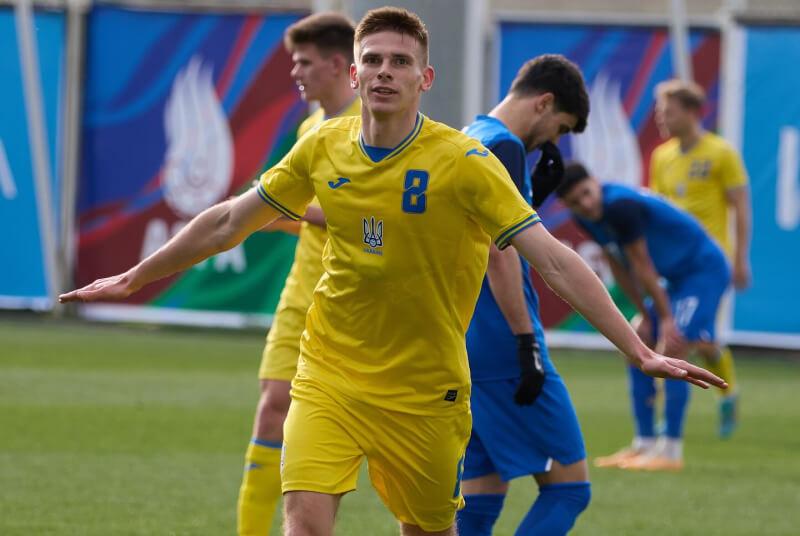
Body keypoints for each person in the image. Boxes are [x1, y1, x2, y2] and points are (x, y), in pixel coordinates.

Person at [60, 8, 725, 535]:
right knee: (305, 521)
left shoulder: (466, 162)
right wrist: (135, 277)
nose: (385, 71)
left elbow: (552, 258)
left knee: (428, 528)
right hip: (329, 373)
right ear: (354, 75)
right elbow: (229, 220)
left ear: (424, 79)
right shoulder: (321, 145)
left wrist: (638, 349)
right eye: (373, 60)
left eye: (400, 61)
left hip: (425, 390)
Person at [236, 12, 360, 536]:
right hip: (301, 292)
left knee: (364, 435)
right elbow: (311, 215)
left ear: (336, 64)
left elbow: (363, 216)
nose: (295, 72)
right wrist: (265, 217)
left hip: (355, 302)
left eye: (304, 62)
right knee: (271, 407)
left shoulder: (371, 127)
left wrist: (274, 208)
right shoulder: (310, 128)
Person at [457, 55, 591, 536]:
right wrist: (525, 342)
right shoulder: (506, 146)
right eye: (561, 127)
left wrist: (532, 197)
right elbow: (500, 252)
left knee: (478, 496)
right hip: (503, 340)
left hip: (465, 338)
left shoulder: (470, 135)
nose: (555, 139)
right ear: (544, 103)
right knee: (569, 489)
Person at [557, 162, 731, 472]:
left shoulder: (620, 206)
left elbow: (642, 265)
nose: (586, 203)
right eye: (576, 202)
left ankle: (671, 451)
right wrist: (644, 315)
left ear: (595, 181)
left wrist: (665, 319)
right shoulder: (586, 217)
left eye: (586, 193)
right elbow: (619, 265)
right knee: (637, 339)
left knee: (674, 344)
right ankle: (645, 443)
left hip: (703, 271)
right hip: (675, 280)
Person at [651, 78, 751, 438]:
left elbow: (741, 206)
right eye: (660, 111)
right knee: (698, 341)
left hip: (710, 266)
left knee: (678, 340)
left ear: (693, 112)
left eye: (669, 111)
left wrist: (740, 258)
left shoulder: (721, 154)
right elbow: (657, 212)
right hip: (673, 266)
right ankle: (728, 393)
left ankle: (668, 425)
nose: (661, 118)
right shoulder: (661, 157)